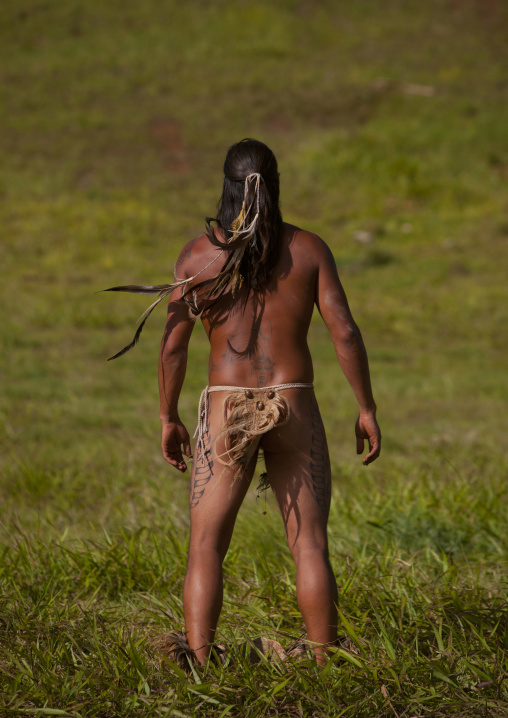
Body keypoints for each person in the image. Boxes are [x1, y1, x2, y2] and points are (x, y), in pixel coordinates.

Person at [118, 138, 381, 665]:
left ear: (227, 187)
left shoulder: (199, 255)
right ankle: (328, 659)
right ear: (274, 185)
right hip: (295, 402)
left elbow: (173, 345)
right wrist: (366, 408)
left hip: (224, 407)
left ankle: (198, 662)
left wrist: (168, 416)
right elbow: (345, 333)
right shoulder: (308, 249)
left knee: (206, 546)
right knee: (309, 545)